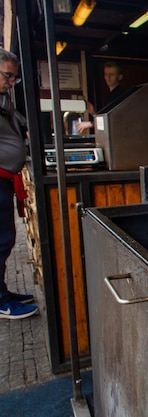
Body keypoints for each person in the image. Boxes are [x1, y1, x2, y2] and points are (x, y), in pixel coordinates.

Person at [0, 48, 38, 319]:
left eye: (14, 78)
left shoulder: (3, 101)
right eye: (7, 76)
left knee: (5, 239)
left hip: (4, 179)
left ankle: (2, 291)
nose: (11, 83)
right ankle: (0, 301)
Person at [77, 61, 125, 133]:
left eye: (111, 75)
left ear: (120, 77)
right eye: (106, 74)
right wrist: (93, 112)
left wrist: (90, 124)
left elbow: (111, 120)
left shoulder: (119, 95)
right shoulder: (111, 95)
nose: (108, 78)